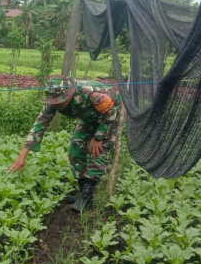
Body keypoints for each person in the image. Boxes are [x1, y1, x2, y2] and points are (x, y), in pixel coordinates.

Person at [8, 74, 122, 212]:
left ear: (70, 93)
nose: (57, 104)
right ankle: (82, 190)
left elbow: (111, 112)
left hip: (110, 114)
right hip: (89, 116)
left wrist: (98, 137)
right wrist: (22, 155)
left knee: (98, 151)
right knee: (75, 146)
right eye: (54, 101)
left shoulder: (90, 93)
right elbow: (40, 124)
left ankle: (87, 195)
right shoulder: (53, 102)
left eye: (60, 100)